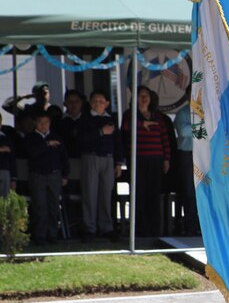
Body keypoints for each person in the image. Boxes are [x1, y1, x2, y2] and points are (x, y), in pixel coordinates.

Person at [123, 86, 171, 237]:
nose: (143, 99)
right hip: (138, 160)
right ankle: (140, 230)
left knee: (153, 195)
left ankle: (154, 229)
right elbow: (125, 127)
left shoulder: (158, 117)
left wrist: (166, 159)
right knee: (139, 195)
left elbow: (165, 139)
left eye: (146, 96)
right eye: (140, 96)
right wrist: (141, 124)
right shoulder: (130, 115)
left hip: (156, 160)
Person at [77, 91, 123, 241]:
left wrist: (118, 163)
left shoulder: (111, 119)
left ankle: (106, 227)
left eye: (101, 101)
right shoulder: (85, 118)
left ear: (107, 103)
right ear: (90, 103)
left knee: (106, 194)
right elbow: (82, 139)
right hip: (91, 157)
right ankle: (89, 228)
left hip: (108, 160)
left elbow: (118, 142)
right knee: (90, 193)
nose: (98, 103)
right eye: (95, 101)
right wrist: (101, 132)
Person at [25, 111, 69, 244]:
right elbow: (31, 153)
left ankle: (53, 234)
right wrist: (46, 144)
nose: (43, 125)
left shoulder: (57, 137)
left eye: (46, 122)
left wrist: (65, 174)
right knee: (40, 207)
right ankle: (40, 236)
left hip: (54, 175)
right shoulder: (31, 138)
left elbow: (64, 158)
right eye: (40, 122)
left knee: (53, 206)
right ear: (35, 123)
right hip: (37, 175)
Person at [173, 87, 199, 235]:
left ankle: (201, 225)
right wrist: (202, 127)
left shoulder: (206, 111)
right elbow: (183, 131)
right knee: (188, 192)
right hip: (187, 155)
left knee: (202, 191)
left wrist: (196, 128)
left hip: (203, 157)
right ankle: (190, 226)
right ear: (187, 96)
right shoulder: (183, 113)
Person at [0, 113, 14, 197]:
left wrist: (13, 178)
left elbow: (11, 158)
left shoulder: (6, 138)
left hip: (5, 170)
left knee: (4, 200)